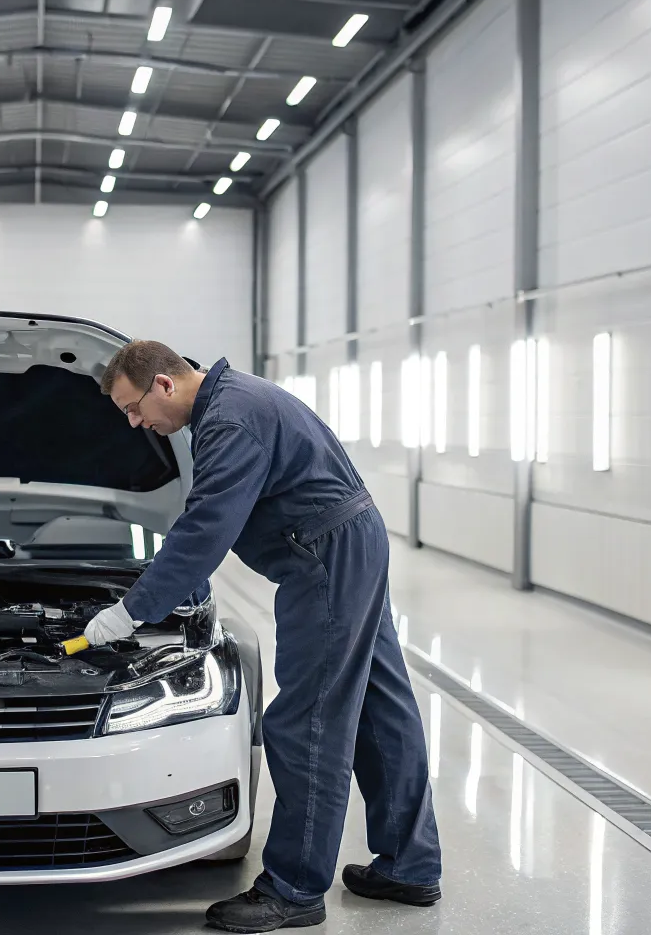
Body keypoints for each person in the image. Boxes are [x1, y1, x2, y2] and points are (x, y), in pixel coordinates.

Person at [83, 340, 441, 933]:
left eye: (133, 407)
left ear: (164, 384)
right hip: (346, 545)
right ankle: (409, 864)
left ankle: (294, 888)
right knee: (381, 708)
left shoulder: (230, 419)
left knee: (306, 720)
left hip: (325, 561)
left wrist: (134, 610)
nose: (136, 423)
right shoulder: (233, 402)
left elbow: (205, 527)